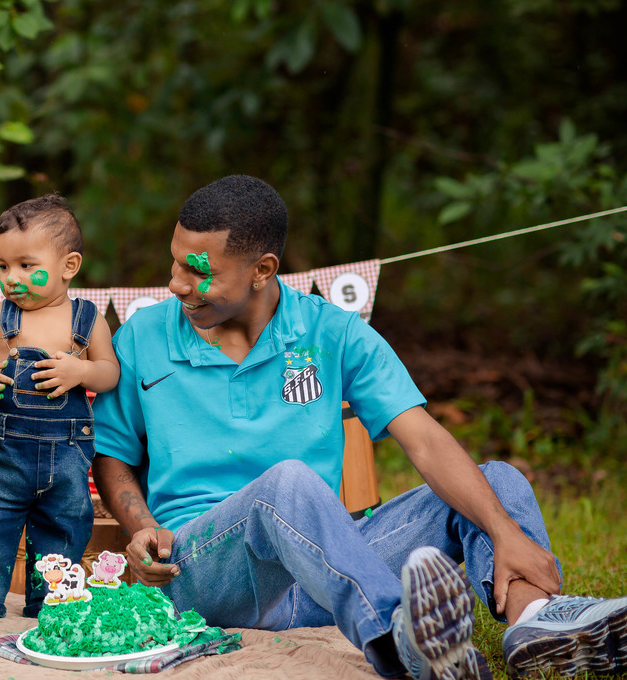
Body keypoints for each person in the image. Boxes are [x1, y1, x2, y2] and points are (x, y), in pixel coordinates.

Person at [92, 175, 627, 680]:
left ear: (262, 268)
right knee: (288, 482)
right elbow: (112, 454)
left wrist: (506, 532)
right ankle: (402, 638)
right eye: (175, 264)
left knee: (498, 483)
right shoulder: (144, 335)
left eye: (198, 271)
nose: (176, 283)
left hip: (323, 570)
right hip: (202, 567)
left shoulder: (331, 331)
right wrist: (141, 527)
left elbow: (423, 438)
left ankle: (535, 623)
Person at [0, 194, 120, 624]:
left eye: (27, 265)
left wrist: (80, 370)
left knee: (63, 529)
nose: (12, 278)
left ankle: (51, 605)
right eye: (3, 266)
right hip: (2, 458)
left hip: (65, 460)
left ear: (69, 266)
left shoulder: (86, 320)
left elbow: (109, 372)